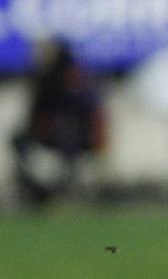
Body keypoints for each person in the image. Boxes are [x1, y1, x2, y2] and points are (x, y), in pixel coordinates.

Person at [11, 39, 105, 207]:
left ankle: (63, 190)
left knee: (67, 138)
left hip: (75, 132)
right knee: (18, 139)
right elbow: (36, 109)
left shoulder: (74, 75)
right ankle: (33, 189)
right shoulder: (42, 77)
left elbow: (87, 108)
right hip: (47, 130)